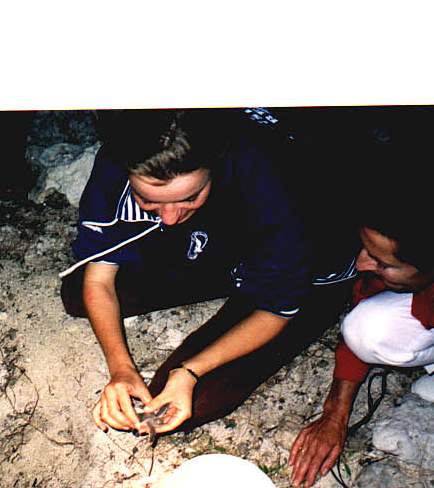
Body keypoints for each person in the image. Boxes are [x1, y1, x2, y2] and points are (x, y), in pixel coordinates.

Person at [61, 109, 359, 438]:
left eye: (190, 197)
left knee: (184, 402)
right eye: (148, 199)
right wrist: (122, 369)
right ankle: (207, 246)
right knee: (78, 293)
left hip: (305, 271)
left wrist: (189, 372)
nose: (171, 218)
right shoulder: (122, 156)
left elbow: (275, 311)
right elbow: (99, 281)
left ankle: (234, 278)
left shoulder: (274, 193)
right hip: (221, 243)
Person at [288, 154, 434, 488]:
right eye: (366, 250)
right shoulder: (410, 248)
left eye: (384, 263)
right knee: (364, 329)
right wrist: (335, 412)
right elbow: (364, 311)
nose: (363, 264)